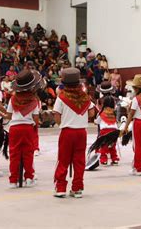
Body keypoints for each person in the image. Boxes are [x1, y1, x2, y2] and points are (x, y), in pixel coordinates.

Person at [53, 68, 95, 198]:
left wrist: (63, 124)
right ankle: (77, 188)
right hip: (81, 131)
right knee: (79, 160)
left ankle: (60, 188)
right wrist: (81, 119)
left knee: (63, 160)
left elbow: (56, 114)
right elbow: (92, 112)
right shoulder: (85, 96)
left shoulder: (62, 97)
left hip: (67, 131)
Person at [5, 70, 42, 188]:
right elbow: (36, 118)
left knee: (14, 154)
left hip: (14, 128)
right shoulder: (33, 100)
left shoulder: (13, 99)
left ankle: (13, 180)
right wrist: (36, 124)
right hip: (27, 128)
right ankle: (29, 178)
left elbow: (9, 115)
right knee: (28, 154)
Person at [124, 75, 141, 176]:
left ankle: (138, 168)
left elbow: (131, 114)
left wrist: (126, 126)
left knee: (138, 146)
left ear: (137, 88)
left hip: (139, 123)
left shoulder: (136, 99)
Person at [95, 95, 120, 166]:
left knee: (104, 146)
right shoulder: (114, 112)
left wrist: (95, 121)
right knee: (112, 146)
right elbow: (116, 121)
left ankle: (104, 160)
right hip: (114, 131)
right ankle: (114, 159)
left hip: (105, 131)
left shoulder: (101, 112)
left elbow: (97, 121)